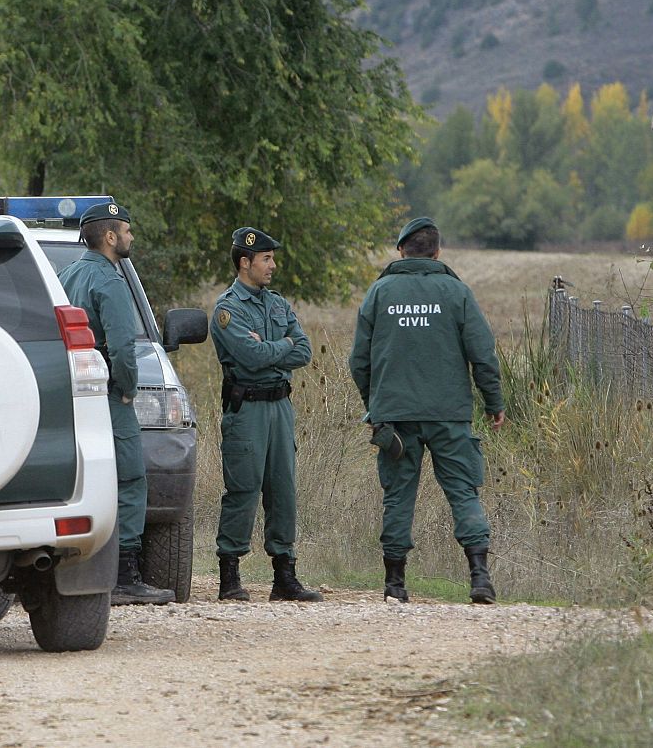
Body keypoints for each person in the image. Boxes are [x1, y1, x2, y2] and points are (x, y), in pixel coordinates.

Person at [348, 217, 505, 605]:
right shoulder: (457, 293)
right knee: (463, 492)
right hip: (450, 415)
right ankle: (480, 577)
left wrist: (376, 406)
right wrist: (494, 403)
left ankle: (395, 585)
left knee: (398, 496)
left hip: (396, 417)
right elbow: (483, 354)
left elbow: (358, 360)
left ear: (401, 251)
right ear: (437, 252)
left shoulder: (379, 293)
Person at [58, 202, 173, 606]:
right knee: (128, 478)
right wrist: (127, 388)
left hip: (72, 394)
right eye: (126, 230)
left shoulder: (67, 275)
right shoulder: (110, 280)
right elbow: (124, 347)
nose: (130, 237)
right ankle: (125, 575)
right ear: (110, 237)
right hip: (107, 393)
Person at [209, 226, 321, 603]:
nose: (272, 266)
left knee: (283, 489)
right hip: (248, 409)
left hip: (280, 406)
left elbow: (303, 351)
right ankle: (230, 574)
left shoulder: (278, 303)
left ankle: (284, 575)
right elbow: (249, 358)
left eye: (272, 258)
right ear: (245, 263)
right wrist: (280, 347)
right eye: (266, 259)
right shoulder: (228, 310)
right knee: (243, 489)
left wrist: (276, 345)